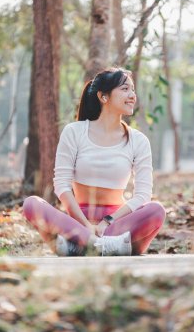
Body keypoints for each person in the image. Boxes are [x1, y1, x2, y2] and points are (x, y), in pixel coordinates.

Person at [22, 67, 166, 256]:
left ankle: (81, 246)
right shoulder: (74, 132)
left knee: (156, 210)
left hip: (117, 224)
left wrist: (107, 222)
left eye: (133, 90)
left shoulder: (138, 140)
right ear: (103, 97)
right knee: (32, 204)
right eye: (125, 89)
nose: (132, 95)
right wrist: (87, 228)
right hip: (77, 222)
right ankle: (100, 245)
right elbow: (62, 185)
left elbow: (143, 195)